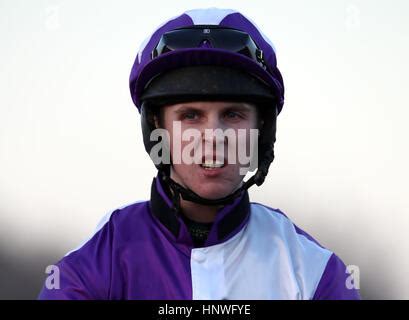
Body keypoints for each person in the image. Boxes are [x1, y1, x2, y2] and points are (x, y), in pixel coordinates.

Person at [38, 8, 361, 300]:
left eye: (233, 115)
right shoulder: (93, 266)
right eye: (190, 116)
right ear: (156, 126)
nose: (214, 137)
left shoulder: (317, 273)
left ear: (261, 130)